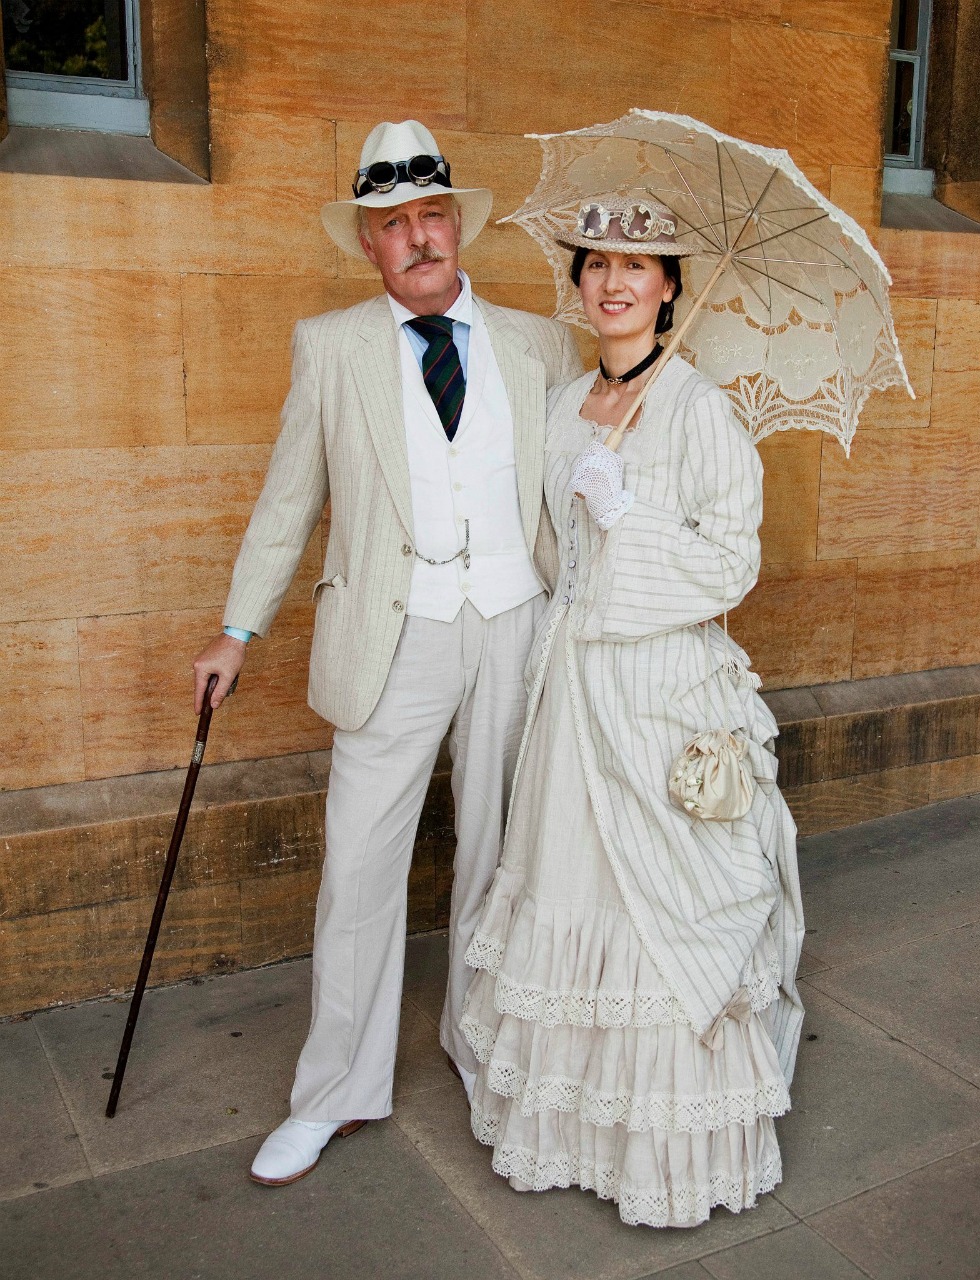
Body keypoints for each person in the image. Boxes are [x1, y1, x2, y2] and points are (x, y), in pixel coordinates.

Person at [192, 120, 582, 1186]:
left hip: (515, 619)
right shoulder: (331, 347)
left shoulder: (538, 344)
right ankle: (333, 1094)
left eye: (429, 217)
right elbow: (288, 499)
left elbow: (572, 484)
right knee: (358, 867)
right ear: (366, 244)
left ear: (458, 227)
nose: (415, 238)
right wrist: (239, 627)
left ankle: (480, 1046)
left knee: (501, 853)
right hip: (391, 633)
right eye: (390, 223)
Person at [459, 191, 805, 1228]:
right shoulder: (568, 406)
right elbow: (557, 562)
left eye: (638, 265)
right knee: (575, 881)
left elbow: (731, 560)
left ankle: (664, 1147)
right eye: (595, 263)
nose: (613, 282)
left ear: (667, 289)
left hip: (660, 692)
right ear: (576, 284)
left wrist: (634, 515)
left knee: (659, 909)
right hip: (574, 691)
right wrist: (586, 541)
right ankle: (576, 1129)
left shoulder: (701, 408)